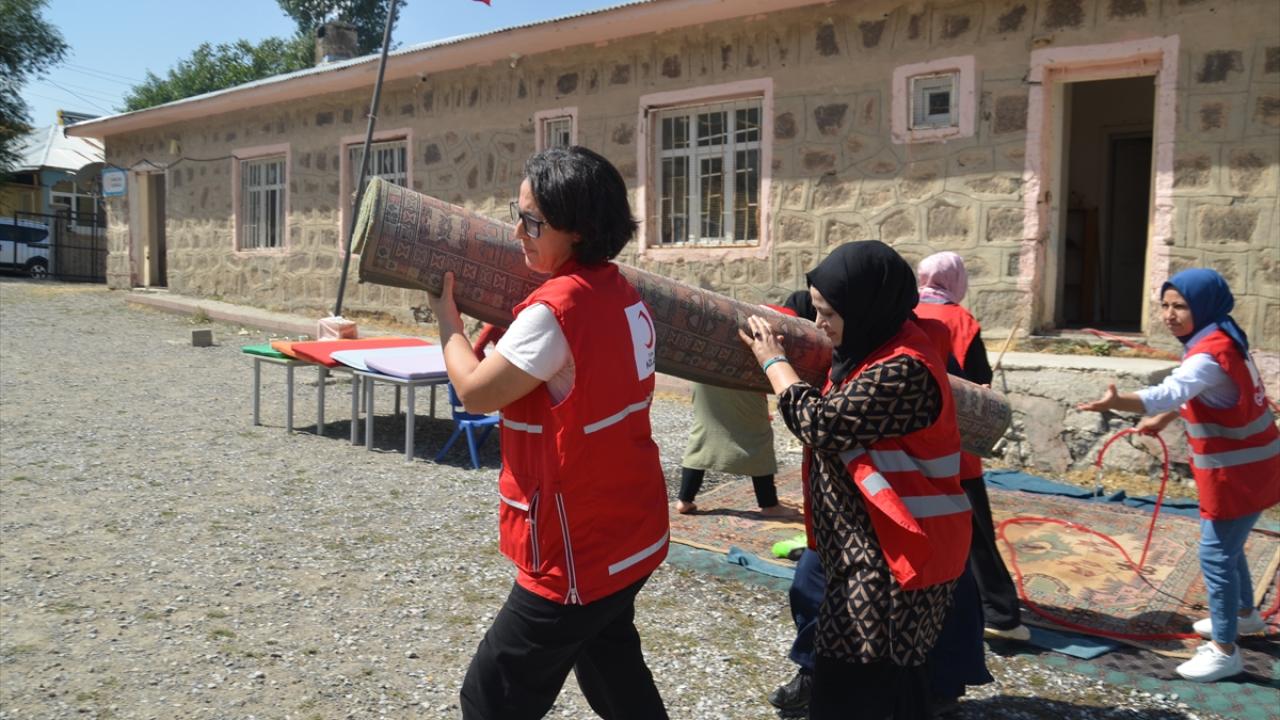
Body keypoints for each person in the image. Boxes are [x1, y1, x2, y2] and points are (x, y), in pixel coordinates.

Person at [427, 146, 670, 718]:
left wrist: (447, 319)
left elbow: (475, 390)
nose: (517, 230)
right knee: (613, 670)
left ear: (579, 230)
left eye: (533, 221)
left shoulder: (554, 310)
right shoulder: (621, 289)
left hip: (575, 546)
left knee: (491, 698)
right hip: (628, 528)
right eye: (518, 212)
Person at [742, 241, 972, 719]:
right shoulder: (871, 347)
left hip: (896, 559)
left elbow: (821, 423)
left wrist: (773, 362)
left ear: (866, 307)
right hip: (871, 551)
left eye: (829, 313)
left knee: (851, 688)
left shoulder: (903, 368)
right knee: (892, 688)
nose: (820, 325)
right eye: (816, 310)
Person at [1077, 268, 1280, 683]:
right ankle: (1244, 616)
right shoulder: (1223, 334)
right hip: (1254, 466)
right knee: (1229, 545)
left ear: (1202, 307)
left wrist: (1121, 402)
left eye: (1180, 306)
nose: (1169, 314)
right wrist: (1165, 418)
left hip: (1237, 473)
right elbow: (1198, 391)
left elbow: (1172, 389)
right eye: (1165, 305)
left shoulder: (1207, 353)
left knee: (1216, 553)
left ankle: (1225, 650)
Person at [913, 251, 1029, 644]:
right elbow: (978, 381)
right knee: (974, 529)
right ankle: (1001, 613)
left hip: (910, 440)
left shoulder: (905, 313)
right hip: (954, 442)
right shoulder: (961, 321)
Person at [677, 297, 811, 518]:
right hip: (737, 378)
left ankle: (685, 499)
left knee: (703, 433)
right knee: (757, 437)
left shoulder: (760, 309)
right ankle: (769, 504)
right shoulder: (790, 322)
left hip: (704, 372)